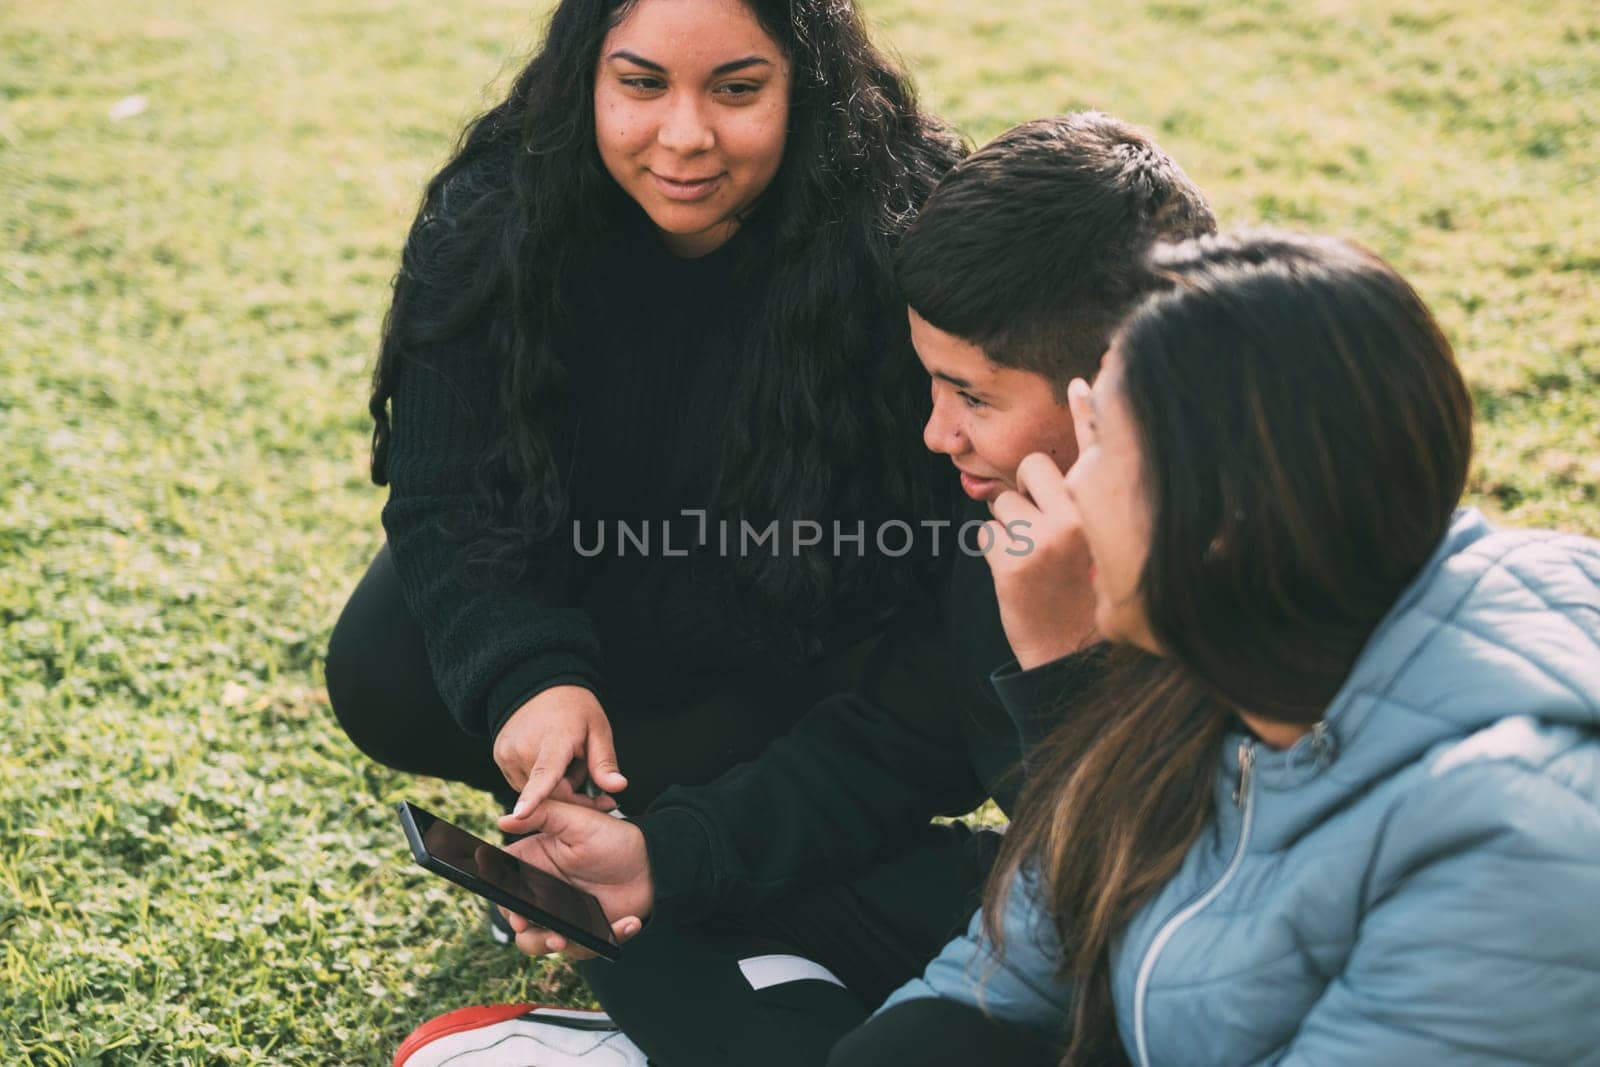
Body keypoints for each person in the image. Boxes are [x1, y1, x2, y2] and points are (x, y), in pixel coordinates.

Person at [392, 114, 1216, 1067]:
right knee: (661, 896)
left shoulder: (1255, 550)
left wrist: (1063, 659)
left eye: (975, 398)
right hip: (1033, 914)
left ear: (1112, 389)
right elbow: (897, 745)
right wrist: (660, 860)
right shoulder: (1006, 508)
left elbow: (1174, 915)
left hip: (1159, 977)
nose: (936, 433)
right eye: (931, 387)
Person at [832, 230, 1600, 1066]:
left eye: (1105, 448)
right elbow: (1009, 968)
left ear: (1222, 523)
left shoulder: (1505, 845)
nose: (1073, 483)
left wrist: (1065, 669)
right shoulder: (1222, 659)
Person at [325, 0, 969, 875]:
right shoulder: (492, 213)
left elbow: (915, 549)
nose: (685, 136)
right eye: (641, 83)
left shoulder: (903, 221)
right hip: (583, 577)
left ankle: (690, 833)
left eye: (737, 89)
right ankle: (571, 806)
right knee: (383, 662)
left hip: (788, 617)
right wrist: (532, 677)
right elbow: (443, 495)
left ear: (806, 83)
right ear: (587, 73)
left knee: (725, 748)